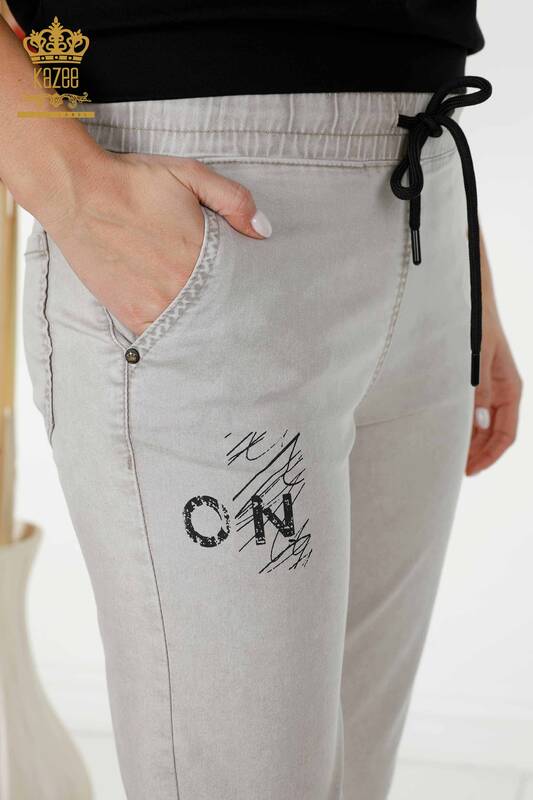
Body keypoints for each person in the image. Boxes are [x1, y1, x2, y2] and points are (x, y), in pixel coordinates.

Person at [0, 3, 522, 799]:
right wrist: (78, 193)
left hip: (426, 194)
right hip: (202, 199)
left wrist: (466, 262)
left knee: (356, 770)